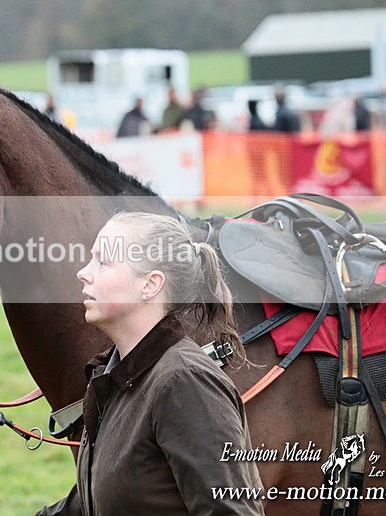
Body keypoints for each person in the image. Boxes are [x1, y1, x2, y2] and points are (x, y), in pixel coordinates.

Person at [37, 212, 264, 515]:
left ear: (150, 284)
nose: (83, 273)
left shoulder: (185, 382)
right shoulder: (115, 377)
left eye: (103, 262)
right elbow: (102, 498)